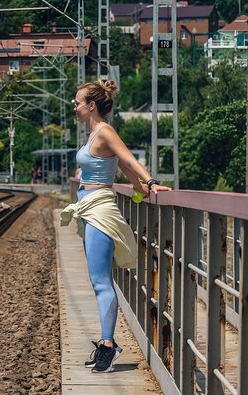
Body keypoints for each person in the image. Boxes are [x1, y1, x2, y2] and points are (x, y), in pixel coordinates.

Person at [60, 80, 171, 373]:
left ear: (91, 105)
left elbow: (129, 159)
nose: (74, 106)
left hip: (99, 209)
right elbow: (120, 167)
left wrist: (150, 183)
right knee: (98, 280)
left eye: (77, 102)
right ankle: (106, 344)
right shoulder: (95, 133)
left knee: (100, 282)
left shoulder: (105, 131)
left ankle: (108, 346)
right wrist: (137, 187)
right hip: (90, 208)